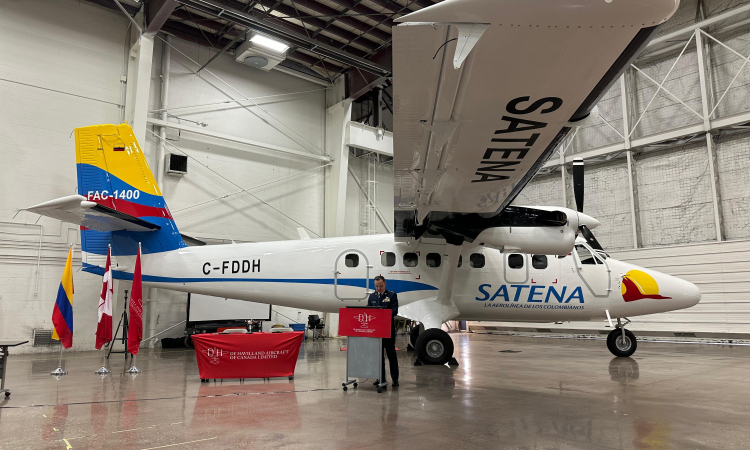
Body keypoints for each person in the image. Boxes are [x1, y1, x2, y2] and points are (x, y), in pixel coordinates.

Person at [368, 275, 399, 387]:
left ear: (385, 284)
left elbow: (394, 310)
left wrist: (383, 314)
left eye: (380, 286)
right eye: (376, 286)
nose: (378, 288)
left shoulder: (391, 295)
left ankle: (395, 379)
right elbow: (368, 310)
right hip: (376, 331)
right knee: (378, 357)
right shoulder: (372, 296)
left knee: (391, 355)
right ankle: (380, 378)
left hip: (387, 330)